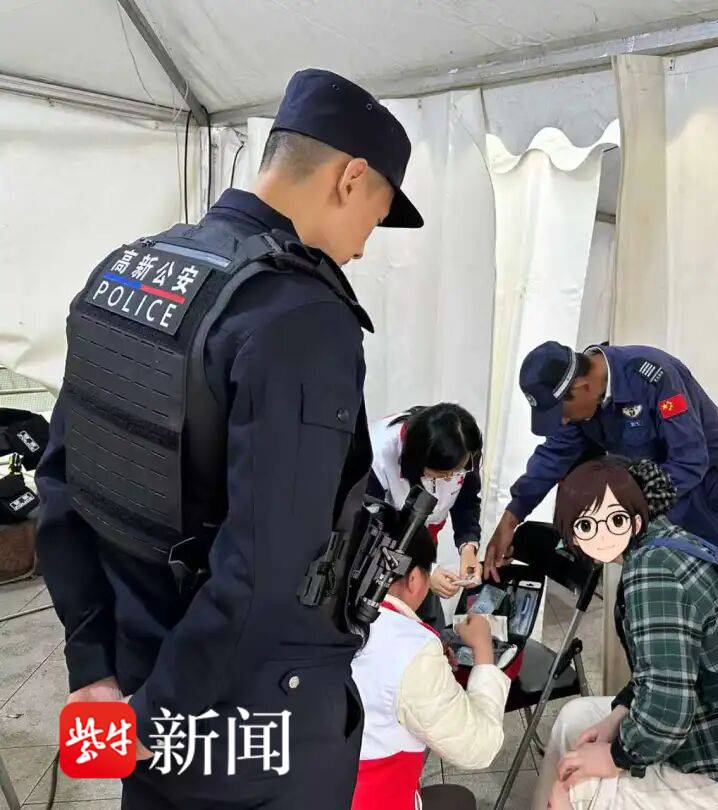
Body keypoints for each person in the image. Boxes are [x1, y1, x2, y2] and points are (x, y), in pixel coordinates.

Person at [35, 69, 423, 808]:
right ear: (350, 178)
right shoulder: (301, 316)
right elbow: (266, 571)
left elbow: (61, 485)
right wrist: (162, 717)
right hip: (251, 722)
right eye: (374, 220)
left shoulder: (128, 273)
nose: (363, 250)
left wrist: (96, 670)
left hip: (135, 679)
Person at [534, 457, 718, 810]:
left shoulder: (652, 573)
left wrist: (616, 756)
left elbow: (667, 715)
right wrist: (620, 714)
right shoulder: (674, 543)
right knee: (574, 720)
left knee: (574, 787)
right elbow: (666, 668)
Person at [485, 341, 718, 579]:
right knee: (682, 585)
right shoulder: (580, 402)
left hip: (717, 488)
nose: (564, 422)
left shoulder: (653, 377)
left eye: (563, 414)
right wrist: (511, 518)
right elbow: (553, 457)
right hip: (661, 496)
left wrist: (625, 507)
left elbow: (690, 461)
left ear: (582, 387)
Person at [350, 513, 509, 810]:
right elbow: (479, 746)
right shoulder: (410, 649)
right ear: (414, 579)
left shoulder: (320, 614)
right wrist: (483, 651)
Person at [368, 403, 484, 629]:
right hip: (382, 548)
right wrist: (427, 572)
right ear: (417, 461)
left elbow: (467, 499)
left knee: (427, 624)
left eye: (457, 471)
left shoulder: (464, 448)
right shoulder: (377, 454)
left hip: (424, 541)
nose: (451, 478)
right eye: (443, 474)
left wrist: (468, 547)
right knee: (389, 622)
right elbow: (370, 532)